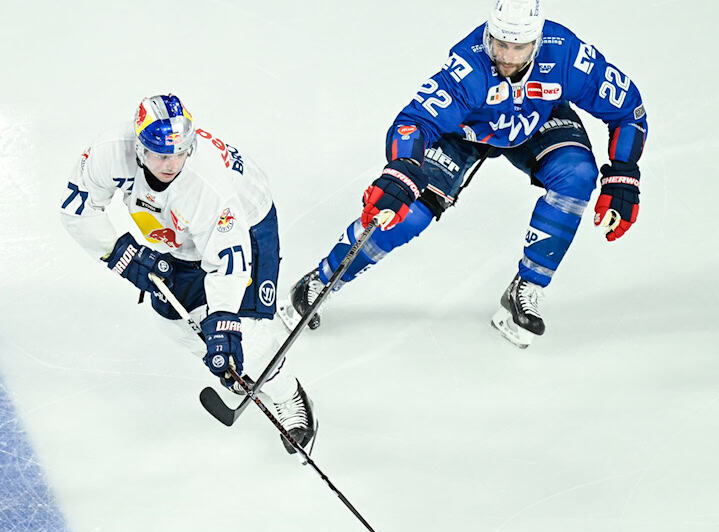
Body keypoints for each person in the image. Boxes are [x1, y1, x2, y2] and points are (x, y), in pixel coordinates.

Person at [279, 0, 648, 349]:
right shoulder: (468, 67)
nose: (506, 56)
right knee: (408, 213)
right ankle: (322, 280)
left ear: (536, 43)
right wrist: (402, 170)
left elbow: (628, 108)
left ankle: (528, 286)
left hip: (536, 119)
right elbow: (414, 122)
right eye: (499, 44)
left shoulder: (566, 54)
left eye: (518, 47)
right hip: (466, 132)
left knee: (578, 176)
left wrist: (623, 174)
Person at [60, 93, 316, 453]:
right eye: (161, 155)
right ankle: (239, 368)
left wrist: (224, 321)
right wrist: (121, 255)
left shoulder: (205, 183)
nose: (172, 163)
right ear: (139, 148)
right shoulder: (109, 153)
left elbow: (228, 258)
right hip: (181, 233)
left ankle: (289, 395)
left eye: (181, 152)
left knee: (243, 334)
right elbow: (77, 209)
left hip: (246, 224)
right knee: (174, 321)